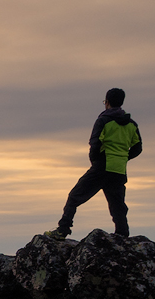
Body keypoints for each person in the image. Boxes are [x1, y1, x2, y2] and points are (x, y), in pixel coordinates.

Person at [47, 87, 142, 239]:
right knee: (117, 206)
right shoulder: (131, 124)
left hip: (101, 167)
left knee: (74, 196)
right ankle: (122, 235)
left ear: (107, 102)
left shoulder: (104, 120)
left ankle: (62, 230)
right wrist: (123, 158)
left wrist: (96, 161)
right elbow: (138, 148)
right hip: (118, 170)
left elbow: (95, 143)